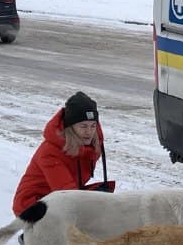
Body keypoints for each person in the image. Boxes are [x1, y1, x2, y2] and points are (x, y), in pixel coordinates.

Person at [12, 91, 112, 236]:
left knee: (109, 207)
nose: (89, 132)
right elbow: (67, 194)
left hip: (60, 195)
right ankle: (36, 235)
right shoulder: (50, 151)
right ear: (70, 127)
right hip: (32, 205)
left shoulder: (90, 145)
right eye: (83, 126)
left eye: (92, 125)